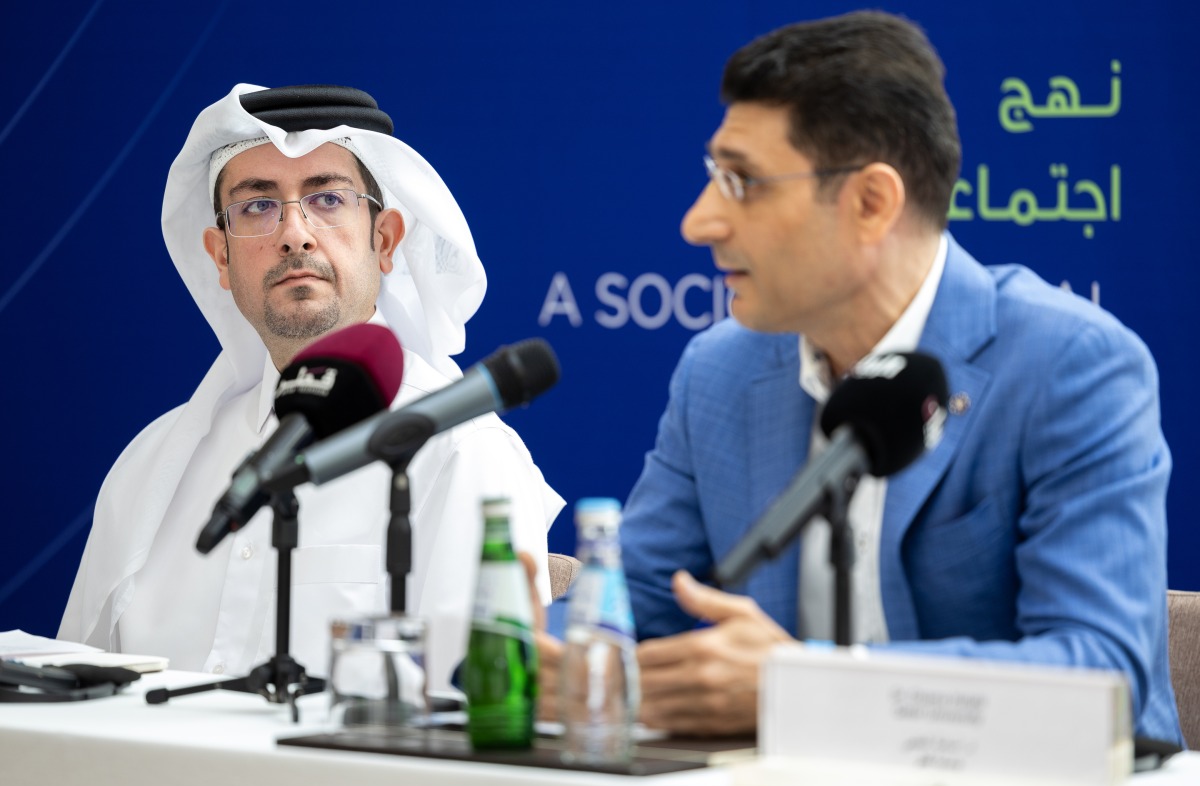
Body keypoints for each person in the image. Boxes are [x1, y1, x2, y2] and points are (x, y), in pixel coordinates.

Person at [541, 11, 1182, 744]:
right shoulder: (720, 372)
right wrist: (545, 654)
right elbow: (641, 602)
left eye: (741, 182)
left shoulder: (1071, 366)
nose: (698, 221)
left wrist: (805, 688)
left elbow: (1103, 682)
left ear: (872, 202)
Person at [58, 84, 563, 693]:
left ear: (385, 241)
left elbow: (475, 724)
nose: (295, 234)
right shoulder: (151, 467)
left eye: (326, 198)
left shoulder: (460, 452)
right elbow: (71, 698)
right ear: (220, 257)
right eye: (258, 207)